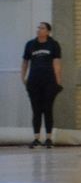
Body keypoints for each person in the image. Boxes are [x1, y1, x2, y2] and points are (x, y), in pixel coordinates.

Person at [21, 21, 62, 149]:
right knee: (36, 110)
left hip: (49, 81)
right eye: (38, 28)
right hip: (34, 81)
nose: (39, 30)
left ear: (48, 31)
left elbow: (57, 63)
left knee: (47, 109)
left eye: (42, 28)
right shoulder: (30, 44)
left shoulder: (53, 44)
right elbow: (25, 62)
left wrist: (58, 81)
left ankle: (49, 138)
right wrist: (23, 77)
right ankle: (36, 138)